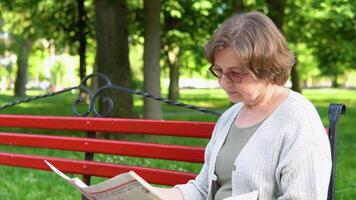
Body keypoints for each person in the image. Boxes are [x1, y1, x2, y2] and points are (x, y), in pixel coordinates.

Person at [154, 11, 331, 200]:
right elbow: (203, 189)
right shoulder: (231, 116)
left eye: (235, 74)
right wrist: (154, 195)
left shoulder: (298, 119)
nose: (223, 82)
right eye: (219, 71)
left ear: (266, 67)